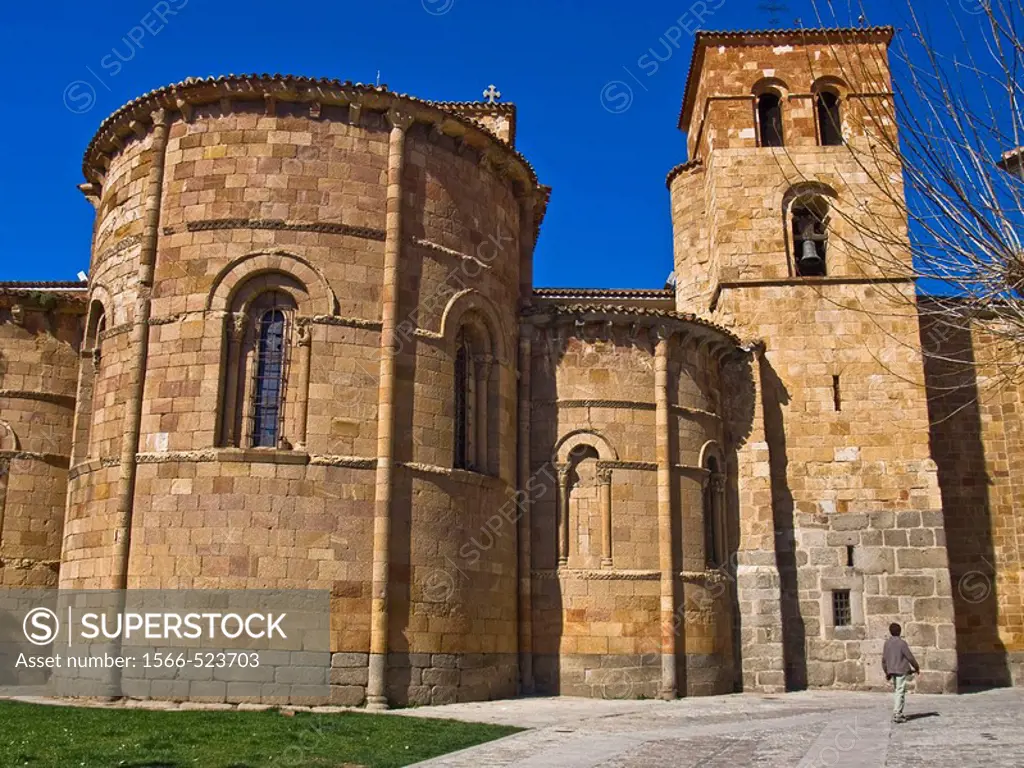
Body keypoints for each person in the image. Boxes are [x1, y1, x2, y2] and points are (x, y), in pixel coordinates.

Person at [882, 622, 920, 723]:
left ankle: (898, 712)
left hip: (891, 670)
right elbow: (909, 657)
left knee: (897, 690)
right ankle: (897, 713)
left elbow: (884, 659)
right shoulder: (902, 643)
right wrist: (916, 667)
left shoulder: (887, 643)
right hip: (900, 670)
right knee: (900, 691)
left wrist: (886, 672)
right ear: (899, 631)